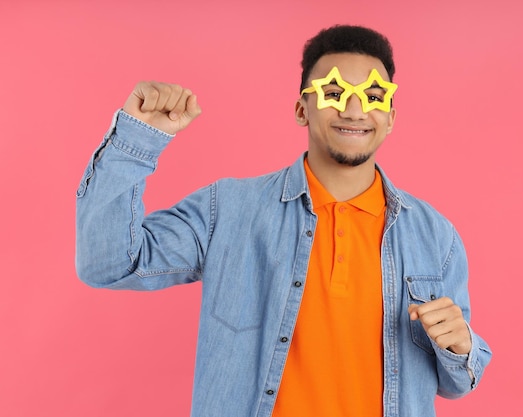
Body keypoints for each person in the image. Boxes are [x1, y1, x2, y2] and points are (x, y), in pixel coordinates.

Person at [76, 24, 492, 417]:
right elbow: (109, 263)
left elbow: (455, 383)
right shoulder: (229, 210)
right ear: (301, 109)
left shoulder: (436, 237)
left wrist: (461, 345)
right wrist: (137, 140)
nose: (353, 108)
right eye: (333, 92)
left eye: (373, 96)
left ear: (390, 117)